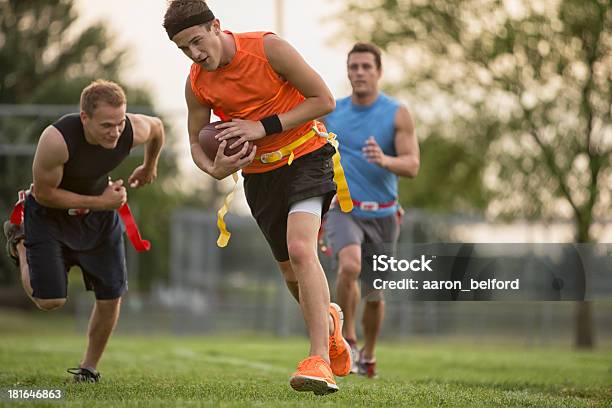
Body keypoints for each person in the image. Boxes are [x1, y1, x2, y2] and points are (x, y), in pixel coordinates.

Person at [163, 0, 352, 395]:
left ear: (216, 26)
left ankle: (318, 359)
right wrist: (213, 169)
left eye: (197, 41)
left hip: (307, 155)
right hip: (260, 176)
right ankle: (330, 326)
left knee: (302, 251)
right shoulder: (196, 82)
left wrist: (259, 127)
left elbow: (324, 100)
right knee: (289, 272)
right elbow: (197, 142)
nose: (195, 54)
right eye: (183, 48)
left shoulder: (268, 48)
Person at [2, 79, 165, 382]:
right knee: (49, 301)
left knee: (110, 295)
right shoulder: (57, 139)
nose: (115, 132)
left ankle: (88, 369)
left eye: (119, 122)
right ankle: (20, 241)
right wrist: (101, 201)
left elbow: (157, 127)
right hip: (49, 217)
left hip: (98, 219)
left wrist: (149, 166)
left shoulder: (130, 129)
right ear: (84, 117)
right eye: (106, 125)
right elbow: (45, 193)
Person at [323, 42, 420, 378]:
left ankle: (369, 353)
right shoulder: (331, 111)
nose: (359, 73)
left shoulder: (396, 113)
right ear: (347, 72)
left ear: (378, 72)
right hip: (343, 208)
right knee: (349, 265)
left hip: (384, 214)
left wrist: (385, 159)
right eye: (353, 67)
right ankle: (347, 339)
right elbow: (312, 156)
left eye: (366, 67)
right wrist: (322, 202)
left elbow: (412, 165)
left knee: (375, 294)